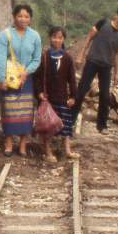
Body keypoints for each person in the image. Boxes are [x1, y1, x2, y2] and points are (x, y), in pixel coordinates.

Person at [0, 3, 42, 156]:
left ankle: (23, 144)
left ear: (30, 19)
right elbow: (1, 57)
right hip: (9, 79)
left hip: (26, 80)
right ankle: (8, 142)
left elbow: (37, 59)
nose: (23, 19)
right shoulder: (5, 34)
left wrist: (26, 73)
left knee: (26, 113)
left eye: (26, 16)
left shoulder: (35, 36)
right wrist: (1, 79)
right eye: (20, 16)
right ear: (14, 17)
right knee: (8, 111)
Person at [75, 7, 118, 135]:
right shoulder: (103, 23)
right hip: (92, 62)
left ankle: (102, 125)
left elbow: (117, 53)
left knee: (105, 96)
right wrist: (80, 55)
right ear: (116, 15)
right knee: (81, 90)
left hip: (107, 66)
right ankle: (71, 118)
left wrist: (117, 72)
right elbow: (89, 39)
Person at [35, 26, 79, 162]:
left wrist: (73, 96)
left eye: (60, 37)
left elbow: (72, 79)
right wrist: (40, 93)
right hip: (48, 98)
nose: (57, 40)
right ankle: (47, 151)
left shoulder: (67, 58)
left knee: (66, 125)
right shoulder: (44, 57)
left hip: (62, 97)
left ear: (63, 39)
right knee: (48, 125)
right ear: (50, 38)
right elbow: (37, 77)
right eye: (54, 37)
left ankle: (67, 150)